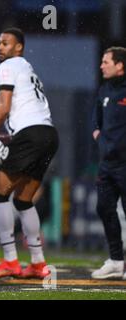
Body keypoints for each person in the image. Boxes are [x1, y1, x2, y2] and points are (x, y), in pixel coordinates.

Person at [0, 28, 59, 279]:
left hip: (30, 135)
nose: (0, 47)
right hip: (48, 135)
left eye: (6, 43)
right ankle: (37, 263)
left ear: (19, 47)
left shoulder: (9, 66)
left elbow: (4, 108)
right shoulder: (27, 68)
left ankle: (10, 261)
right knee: (24, 200)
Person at [91, 47, 126, 280]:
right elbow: (96, 122)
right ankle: (116, 260)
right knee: (104, 207)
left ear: (120, 65)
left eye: (106, 62)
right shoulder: (104, 89)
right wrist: (100, 138)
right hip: (107, 164)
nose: (102, 65)